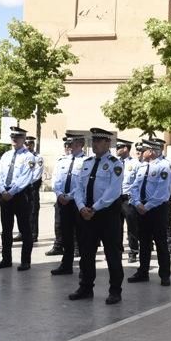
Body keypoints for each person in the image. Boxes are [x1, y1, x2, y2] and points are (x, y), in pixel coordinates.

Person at [68, 128, 125, 304]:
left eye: (99, 141)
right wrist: (81, 207)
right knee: (86, 253)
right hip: (85, 214)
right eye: (94, 141)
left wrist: (94, 208)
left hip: (106, 214)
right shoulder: (86, 163)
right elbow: (77, 188)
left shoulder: (115, 164)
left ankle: (115, 290)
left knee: (112, 253)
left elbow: (113, 191)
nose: (95, 144)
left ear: (108, 143)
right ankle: (85, 287)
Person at [127, 139, 171, 286]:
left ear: (152, 151)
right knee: (144, 242)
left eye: (144, 149)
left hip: (157, 209)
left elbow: (161, 192)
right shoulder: (141, 167)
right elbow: (134, 187)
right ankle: (143, 271)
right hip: (142, 208)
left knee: (160, 242)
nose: (141, 152)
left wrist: (146, 207)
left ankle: (164, 275)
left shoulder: (164, 167)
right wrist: (137, 203)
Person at [0, 126, 36, 270]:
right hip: (5, 196)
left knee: (25, 229)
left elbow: (25, 178)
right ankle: (6, 259)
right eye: (12, 137)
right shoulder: (5, 155)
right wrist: (1, 189)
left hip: (20, 196)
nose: (14, 140)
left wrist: (11, 191)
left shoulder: (28, 157)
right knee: (6, 229)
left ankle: (25, 261)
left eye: (18, 137)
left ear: (24, 139)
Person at [50, 133, 85, 273]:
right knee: (65, 234)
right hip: (62, 202)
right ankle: (66, 264)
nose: (71, 147)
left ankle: (84, 266)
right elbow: (56, 180)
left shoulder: (86, 161)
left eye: (74, 144)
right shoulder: (62, 161)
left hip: (77, 202)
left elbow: (82, 184)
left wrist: (69, 196)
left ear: (81, 144)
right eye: (70, 144)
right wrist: (59, 194)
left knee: (81, 234)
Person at [120, 140, 142, 263]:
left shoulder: (135, 164)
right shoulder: (115, 163)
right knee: (116, 227)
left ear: (126, 149)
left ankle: (133, 251)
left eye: (119, 147)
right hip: (116, 199)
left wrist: (134, 199)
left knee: (132, 227)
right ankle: (117, 250)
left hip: (128, 199)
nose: (116, 149)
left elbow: (138, 183)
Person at [25, 135, 44, 242]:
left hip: (32, 187)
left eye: (30, 144)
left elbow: (37, 174)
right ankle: (22, 232)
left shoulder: (38, 157)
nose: (28, 146)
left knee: (33, 211)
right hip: (22, 188)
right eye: (26, 144)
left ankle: (33, 234)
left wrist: (27, 182)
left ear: (33, 145)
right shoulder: (23, 156)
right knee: (23, 211)